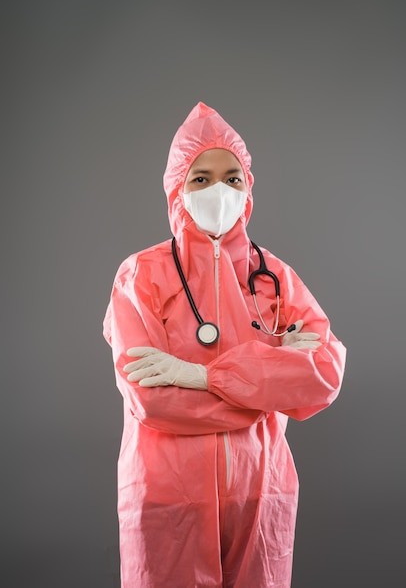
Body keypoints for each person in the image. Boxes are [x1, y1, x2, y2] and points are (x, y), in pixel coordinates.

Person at [103, 101, 346, 588]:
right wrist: (269, 387)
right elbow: (151, 400)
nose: (220, 190)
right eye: (202, 178)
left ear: (248, 188)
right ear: (177, 189)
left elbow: (324, 374)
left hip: (263, 493)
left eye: (233, 178)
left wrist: (201, 376)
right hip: (169, 497)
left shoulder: (275, 278)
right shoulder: (141, 276)